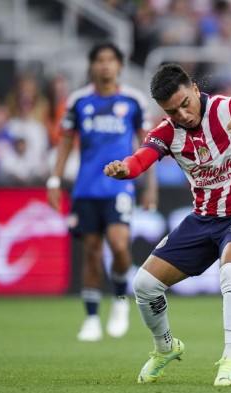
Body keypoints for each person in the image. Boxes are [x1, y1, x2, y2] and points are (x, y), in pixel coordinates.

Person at [102, 63, 231, 386]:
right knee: (143, 286)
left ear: (195, 90)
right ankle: (165, 347)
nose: (182, 114)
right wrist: (124, 169)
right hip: (203, 218)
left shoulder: (229, 109)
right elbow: (142, 157)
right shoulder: (167, 131)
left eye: (186, 103)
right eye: (173, 110)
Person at [47, 42, 157, 342]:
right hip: (85, 188)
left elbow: (149, 147)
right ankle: (92, 319)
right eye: (100, 60)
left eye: (111, 60)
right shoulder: (79, 101)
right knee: (92, 253)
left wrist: (150, 187)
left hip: (119, 187)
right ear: (92, 66)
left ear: (119, 65)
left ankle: (120, 301)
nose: (106, 65)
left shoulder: (133, 101)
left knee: (120, 246)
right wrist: (55, 181)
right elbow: (66, 142)